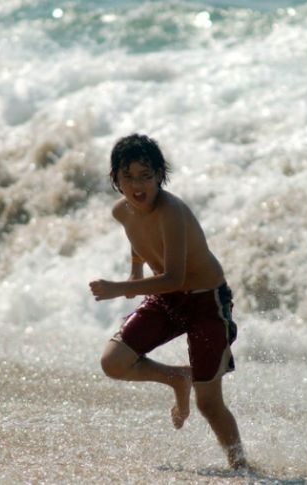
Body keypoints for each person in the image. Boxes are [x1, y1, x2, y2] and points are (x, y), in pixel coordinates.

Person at [89, 133, 247, 469]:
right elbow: (138, 233)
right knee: (113, 362)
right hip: (166, 300)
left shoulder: (171, 211)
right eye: (128, 177)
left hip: (207, 303)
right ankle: (176, 377)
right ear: (115, 178)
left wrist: (119, 288)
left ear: (160, 174)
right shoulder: (122, 211)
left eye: (145, 175)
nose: (137, 186)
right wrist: (135, 270)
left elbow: (175, 277)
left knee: (208, 403)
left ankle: (241, 467)